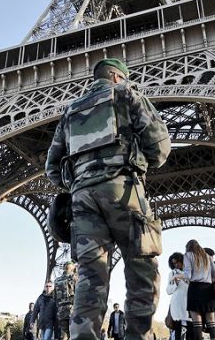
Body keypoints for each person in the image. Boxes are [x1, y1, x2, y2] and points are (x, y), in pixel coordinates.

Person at [45, 58, 171, 340]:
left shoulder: (70, 111)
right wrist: (134, 164)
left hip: (82, 200)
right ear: (117, 77)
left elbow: (52, 168)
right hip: (123, 190)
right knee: (141, 269)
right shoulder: (126, 94)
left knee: (90, 276)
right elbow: (160, 147)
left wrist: (80, 180)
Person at [183, 240, 215, 340]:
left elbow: (187, 275)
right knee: (212, 323)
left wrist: (179, 276)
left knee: (197, 324)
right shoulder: (207, 257)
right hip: (208, 290)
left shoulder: (188, 255)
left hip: (195, 289)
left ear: (188, 247)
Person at [166, 253, 190, 340]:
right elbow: (168, 291)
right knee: (178, 333)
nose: (176, 265)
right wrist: (175, 284)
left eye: (177, 262)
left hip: (189, 305)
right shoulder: (172, 274)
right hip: (177, 305)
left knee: (191, 332)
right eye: (173, 263)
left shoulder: (189, 272)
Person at [54, 262, 78, 340]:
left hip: (61, 311)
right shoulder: (75, 278)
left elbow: (54, 297)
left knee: (63, 335)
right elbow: (80, 294)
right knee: (74, 334)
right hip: (73, 310)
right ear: (72, 268)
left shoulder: (57, 280)